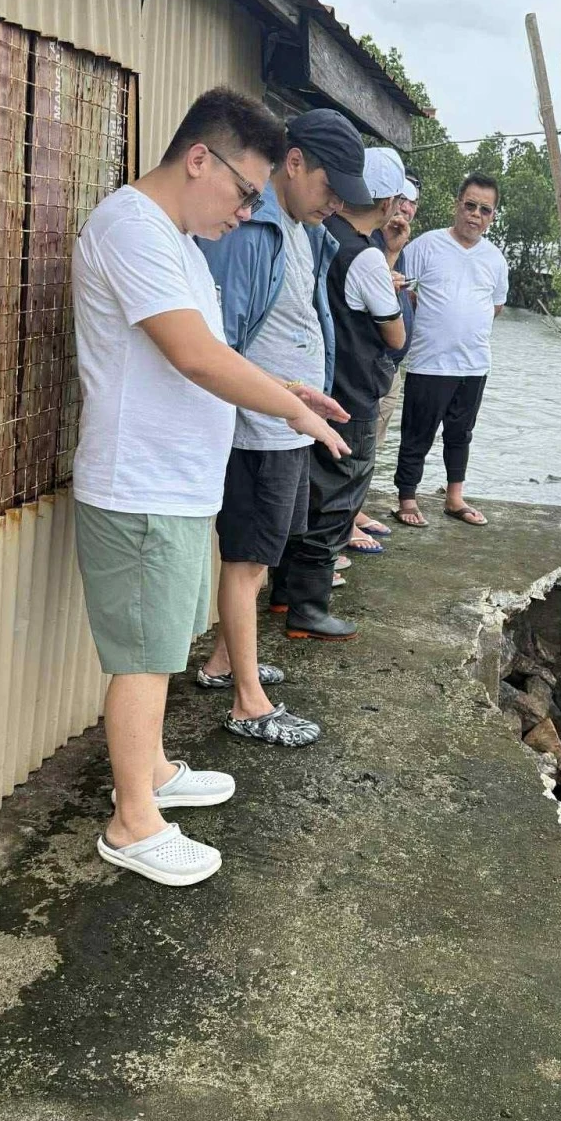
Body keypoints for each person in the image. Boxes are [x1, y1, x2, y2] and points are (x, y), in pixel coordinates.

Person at [71, 88, 349, 887]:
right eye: (246, 192)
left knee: (164, 640)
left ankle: (153, 769)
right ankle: (132, 820)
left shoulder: (183, 242)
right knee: (143, 654)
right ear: (201, 159)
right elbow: (193, 356)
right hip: (140, 482)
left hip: (179, 485)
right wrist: (292, 407)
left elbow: (218, 353)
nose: (246, 211)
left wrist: (290, 382)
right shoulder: (132, 228)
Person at [194, 110, 373, 733]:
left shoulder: (304, 230)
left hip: (287, 423)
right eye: (331, 188)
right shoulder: (252, 232)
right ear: (293, 164)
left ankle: (223, 662)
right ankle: (248, 702)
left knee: (265, 553)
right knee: (245, 562)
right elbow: (220, 342)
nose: (337, 205)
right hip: (257, 429)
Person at [269, 148, 408, 639]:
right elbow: (396, 337)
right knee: (339, 500)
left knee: (309, 495)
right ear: (389, 201)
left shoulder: (319, 236)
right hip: (353, 392)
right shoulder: (366, 255)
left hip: (319, 385)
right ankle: (308, 606)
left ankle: (287, 593)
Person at [392, 173, 508, 528]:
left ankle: (454, 497)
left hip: (474, 364)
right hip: (429, 362)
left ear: (492, 216)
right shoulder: (425, 246)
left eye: (484, 210)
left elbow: (496, 306)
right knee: (417, 433)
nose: (475, 215)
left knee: (461, 434)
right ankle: (406, 498)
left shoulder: (495, 260)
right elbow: (400, 289)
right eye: (470, 205)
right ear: (457, 204)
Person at [351, 172, 419, 546]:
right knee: (354, 446)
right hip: (366, 365)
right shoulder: (366, 243)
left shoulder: (397, 244)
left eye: (412, 203)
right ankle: (343, 522)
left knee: (370, 444)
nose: (406, 208)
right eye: (401, 199)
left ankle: (354, 509)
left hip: (390, 368)